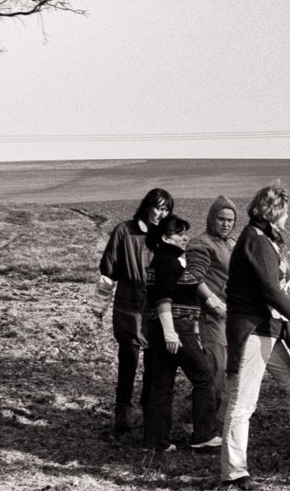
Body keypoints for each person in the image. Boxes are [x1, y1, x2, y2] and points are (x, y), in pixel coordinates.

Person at [219, 183, 290, 485]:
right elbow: (270, 290)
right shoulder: (257, 241)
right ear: (273, 212)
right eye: (285, 212)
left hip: (268, 330)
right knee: (242, 402)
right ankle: (233, 473)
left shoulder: (263, 240)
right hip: (253, 330)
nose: (288, 218)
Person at [139, 214, 219, 454]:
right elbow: (162, 298)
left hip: (161, 329)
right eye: (180, 233)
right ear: (166, 237)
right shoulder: (166, 261)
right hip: (176, 328)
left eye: (186, 233)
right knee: (203, 378)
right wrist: (171, 332)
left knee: (162, 384)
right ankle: (204, 435)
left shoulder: (166, 260)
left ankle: (155, 441)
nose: (185, 237)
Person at [97, 188, 174, 435]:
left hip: (155, 307)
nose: (160, 214)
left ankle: (147, 409)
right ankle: (122, 413)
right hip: (128, 306)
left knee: (153, 362)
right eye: (157, 207)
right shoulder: (124, 231)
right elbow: (109, 270)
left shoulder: (167, 235)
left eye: (165, 209)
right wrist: (99, 306)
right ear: (147, 206)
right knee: (128, 361)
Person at [184, 196, 238, 384]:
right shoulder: (201, 243)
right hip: (214, 316)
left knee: (230, 369)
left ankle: (218, 411)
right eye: (221, 219)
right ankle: (206, 412)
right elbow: (193, 277)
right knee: (216, 367)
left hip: (234, 315)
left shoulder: (231, 244)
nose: (225, 224)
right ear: (212, 218)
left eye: (230, 220)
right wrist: (214, 303)